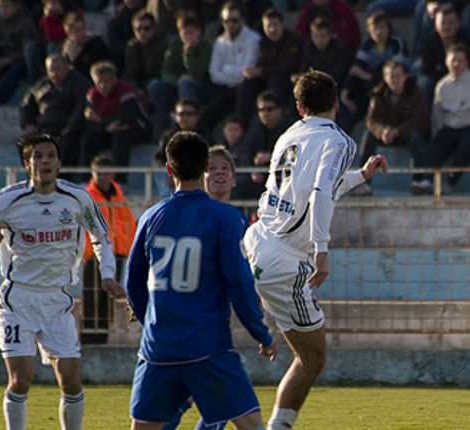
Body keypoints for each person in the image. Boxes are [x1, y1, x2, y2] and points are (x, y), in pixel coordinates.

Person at [242, 70, 388, 430]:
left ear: (298, 107)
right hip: (287, 260)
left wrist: (361, 176)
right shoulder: (339, 141)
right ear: (336, 103)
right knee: (312, 358)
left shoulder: (288, 135)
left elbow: (316, 188)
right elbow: (320, 192)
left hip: (255, 241)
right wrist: (322, 250)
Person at [125, 130, 277, 430]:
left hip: (158, 348)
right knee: (251, 424)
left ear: (169, 170)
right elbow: (239, 283)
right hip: (207, 347)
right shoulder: (226, 218)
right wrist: (261, 332)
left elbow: (133, 284)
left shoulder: (150, 217)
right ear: (205, 167)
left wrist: (154, 325)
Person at [0, 133, 124, 430]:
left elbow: (101, 236)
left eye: (51, 156)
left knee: (71, 379)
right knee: (21, 379)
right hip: (18, 300)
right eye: (38, 156)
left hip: (58, 300)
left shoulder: (77, 198)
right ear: (27, 164)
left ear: (59, 162)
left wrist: (107, 274)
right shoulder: (8, 200)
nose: (45, 161)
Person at [424, 43, 470, 193]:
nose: (456, 64)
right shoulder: (442, 85)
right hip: (450, 127)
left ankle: (451, 182)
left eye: (460, 60)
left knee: (467, 146)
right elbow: (437, 115)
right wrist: (438, 133)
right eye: (453, 60)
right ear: (446, 62)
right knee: (434, 147)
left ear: (467, 62)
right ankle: (428, 181)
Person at [81, 156, 136, 342]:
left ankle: (102, 336)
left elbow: (126, 222)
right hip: (93, 254)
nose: (102, 177)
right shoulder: (88, 196)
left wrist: (126, 247)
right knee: (91, 297)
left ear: (112, 174)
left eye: (105, 173)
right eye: (99, 173)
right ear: (92, 174)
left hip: (116, 253)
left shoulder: (118, 194)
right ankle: (88, 337)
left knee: (108, 299)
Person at [362, 59, 429, 196]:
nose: (395, 80)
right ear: (385, 78)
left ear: (406, 76)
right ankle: (364, 182)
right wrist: (382, 131)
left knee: (416, 138)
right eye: (391, 76)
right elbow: (371, 120)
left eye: (398, 76)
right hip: (385, 134)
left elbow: (419, 119)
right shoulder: (378, 94)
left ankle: (418, 180)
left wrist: (398, 131)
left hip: (405, 133)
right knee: (368, 136)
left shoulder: (416, 93)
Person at [79, 60, 152, 183]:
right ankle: (85, 180)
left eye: (106, 81)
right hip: (108, 129)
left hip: (137, 128)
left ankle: (120, 181)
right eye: (99, 82)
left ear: (114, 79)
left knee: (121, 135)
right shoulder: (92, 94)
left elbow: (125, 119)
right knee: (88, 138)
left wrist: (101, 120)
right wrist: (105, 125)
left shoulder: (125, 91)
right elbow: (89, 122)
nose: (103, 85)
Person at [19, 53, 90, 170]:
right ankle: (34, 175)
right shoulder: (42, 85)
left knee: (66, 145)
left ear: (68, 67)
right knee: (25, 143)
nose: (54, 73)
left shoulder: (79, 84)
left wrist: (71, 127)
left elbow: (81, 107)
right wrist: (28, 123)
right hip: (44, 127)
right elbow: (27, 105)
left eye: (58, 69)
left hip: (66, 129)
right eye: (50, 70)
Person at [146, 14, 213, 131]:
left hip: (201, 87)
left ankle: (189, 122)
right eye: (184, 33)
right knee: (154, 86)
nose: (187, 37)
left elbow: (198, 74)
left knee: (186, 85)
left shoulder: (206, 45)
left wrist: (189, 54)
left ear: (198, 31)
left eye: (191, 33)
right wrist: (176, 80)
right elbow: (166, 70)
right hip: (177, 85)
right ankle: (169, 127)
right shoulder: (175, 44)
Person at [203, 1, 261, 129]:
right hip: (226, 87)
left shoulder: (253, 39)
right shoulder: (219, 41)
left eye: (234, 21)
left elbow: (247, 72)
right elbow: (213, 73)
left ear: (242, 20)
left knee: (244, 89)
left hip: (247, 88)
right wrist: (234, 77)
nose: (230, 24)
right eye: (226, 21)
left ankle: (241, 131)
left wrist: (226, 69)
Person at [0, 0, 40, 103]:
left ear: (16, 7)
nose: (3, 10)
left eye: (7, 6)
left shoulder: (25, 23)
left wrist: (8, 60)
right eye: (1, 7)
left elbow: (29, 51)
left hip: (19, 60)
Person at [294, 0, 362, 53]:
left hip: (339, 53)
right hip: (313, 53)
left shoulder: (342, 8)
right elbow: (300, 34)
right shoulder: (308, 9)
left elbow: (351, 37)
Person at [122, 11, 166, 92]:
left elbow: (162, 72)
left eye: (146, 29)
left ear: (153, 29)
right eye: (138, 29)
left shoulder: (163, 44)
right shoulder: (131, 47)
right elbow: (130, 73)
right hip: (139, 87)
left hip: (158, 84)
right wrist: (137, 89)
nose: (142, 32)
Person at [62, 12, 112, 78]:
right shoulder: (66, 49)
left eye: (83, 29)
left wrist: (75, 60)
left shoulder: (96, 44)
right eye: (77, 30)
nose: (82, 33)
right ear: (68, 32)